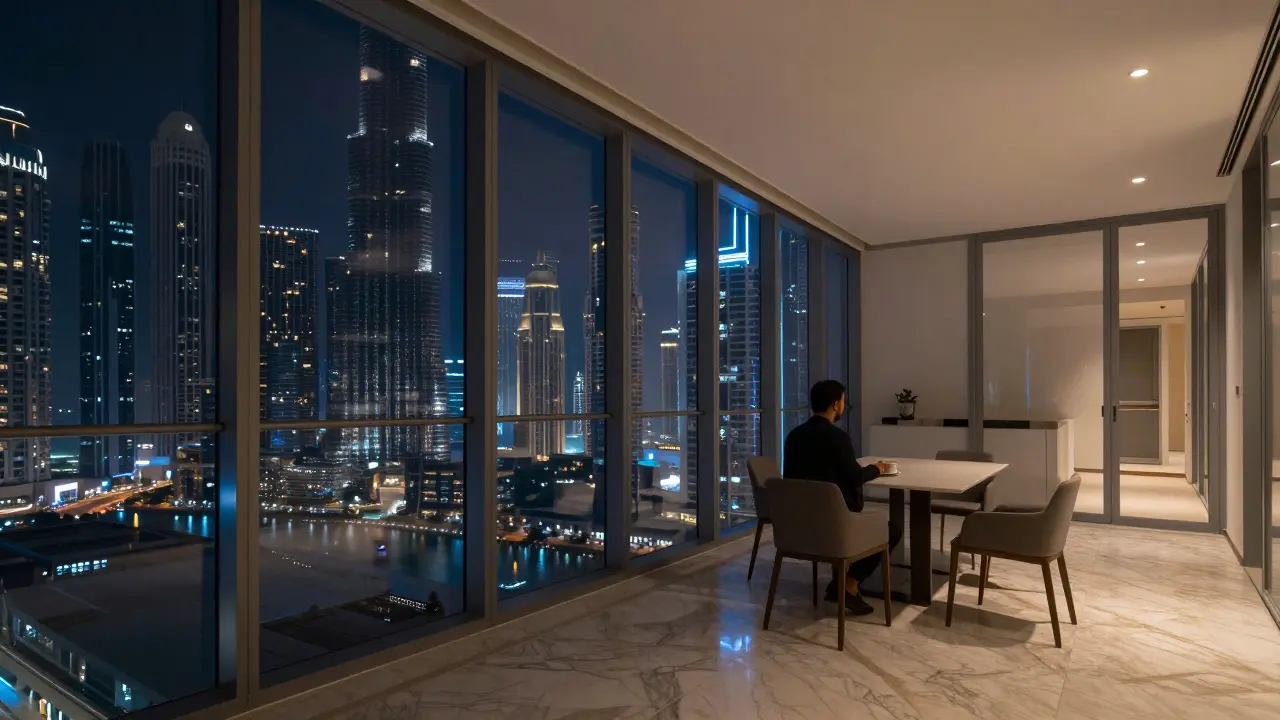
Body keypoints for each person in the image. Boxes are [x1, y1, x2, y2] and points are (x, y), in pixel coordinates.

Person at [783, 379, 903, 616]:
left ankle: (837, 584)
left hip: (799, 527)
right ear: (835, 404)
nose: (844, 408)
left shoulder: (794, 436)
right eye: (843, 403)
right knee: (892, 530)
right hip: (835, 526)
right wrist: (877, 469)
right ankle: (849, 585)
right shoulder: (837, 438)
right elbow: (854, 477)